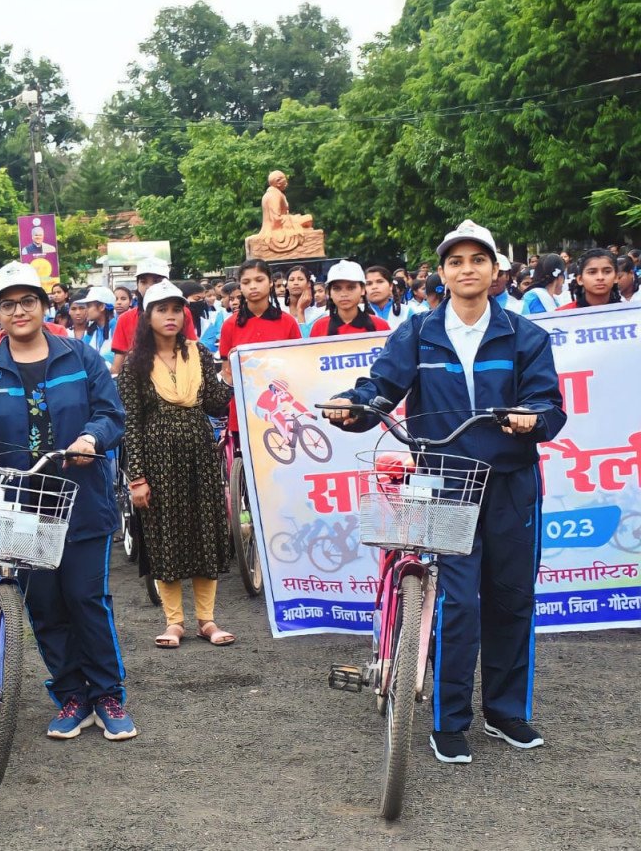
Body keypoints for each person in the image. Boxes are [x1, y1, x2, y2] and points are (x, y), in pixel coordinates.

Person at [322, 220, 566, 765]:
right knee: (456, 602)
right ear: (442, 273)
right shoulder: (417, 333)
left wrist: (533, 419)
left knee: (510, 599)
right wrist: (352, 406)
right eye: (455, 261)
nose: (467, 269)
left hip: (510, 485)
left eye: (477, 259)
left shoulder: (526, 335)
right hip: (442, 482)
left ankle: (505, 713)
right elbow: (379, 388)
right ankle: (449, 720)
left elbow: (550, 404)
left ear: (496, 270)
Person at [0, 261, 135, 741]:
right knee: (44, 604)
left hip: (80, 500)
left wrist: (90, 439)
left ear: (44, 306)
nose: (19, 311)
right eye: (8, 304)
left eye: (28, 301)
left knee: (85, 598)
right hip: (17, 504)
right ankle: (71, 695)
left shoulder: (80, 356)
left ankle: (107, 693)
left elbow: (111, 415)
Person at [119, 281, 234, 649]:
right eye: (161, 310)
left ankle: (207, 620)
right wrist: (137, 477)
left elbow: (214, 403)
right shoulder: (135, 364)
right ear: (147, 317)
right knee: (165, 537)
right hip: (157, 461)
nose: (170, 316)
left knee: (205, 533)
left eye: (176, 310)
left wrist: (232, 375)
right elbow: (131, 425)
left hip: (198, 454)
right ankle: (174, 622)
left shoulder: (198, 353)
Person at [219, 259, 301, 438]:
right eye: (246, 282)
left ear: (270, 282)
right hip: (244, 406)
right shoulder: (229, 325)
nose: (253, 286)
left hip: (281, 401)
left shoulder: (288, 322)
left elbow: (298, 366)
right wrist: (234, 363)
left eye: (259, 280)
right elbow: (227, 374)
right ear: (240, 287)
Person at [110, 258, 195, 374]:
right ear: (137, 285)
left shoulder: (183, 314)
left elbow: (192, 348)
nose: (149, 287)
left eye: (156, 281)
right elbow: (118, 361)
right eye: (143, 282)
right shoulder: (125, 319)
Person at [309, 261, 391, 337]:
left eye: (351, 288)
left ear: (362, 290)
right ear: (329, 293)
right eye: (337, 288)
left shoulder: (380, 325)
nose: (344, 294)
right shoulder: (319, 327)